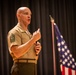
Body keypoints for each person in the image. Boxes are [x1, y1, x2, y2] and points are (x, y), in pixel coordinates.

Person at [7, 7, 42, 75]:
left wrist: (37, 51)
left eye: (30, 14)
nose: (29, 16)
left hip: (32, 67)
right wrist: (33, 40)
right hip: (21, 67)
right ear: (18, 15)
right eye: (26, 13)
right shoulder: (14, 32)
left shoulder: (29, 34)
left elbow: (34, 58)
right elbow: (17, 53)